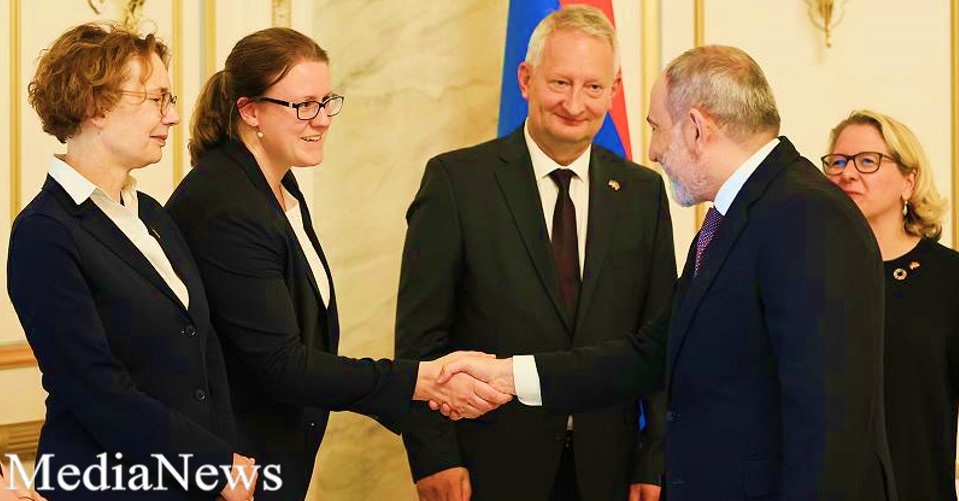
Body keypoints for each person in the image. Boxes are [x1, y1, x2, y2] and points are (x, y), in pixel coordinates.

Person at [438, 45, 900, 501]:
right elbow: (652, 353)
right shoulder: (734, 217)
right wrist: (509, 375)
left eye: (657, 128)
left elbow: (829, 422)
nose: (653, 151)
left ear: (697, 128)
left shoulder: (809, 216)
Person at [165, 27, 510, 501]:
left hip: (272, 460)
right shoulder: (227, 205)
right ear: (250, 111)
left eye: (327, 102)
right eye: (304, 105)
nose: (323, 119)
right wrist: (420, 381)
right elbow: (281, 365)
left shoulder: (276, 186)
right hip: (232, 470)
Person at [396, 6, 674, 501]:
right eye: (560, 82)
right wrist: (434, 455)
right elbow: (421, 340)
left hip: (609, 469)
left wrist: (653, 461)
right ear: (526, 80)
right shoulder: (457, 183)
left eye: (593, 86)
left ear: (614, 90)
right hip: (488, 465)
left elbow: (659, 338)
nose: (575, 103)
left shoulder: (642, 193)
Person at [7, 23, 256, 500]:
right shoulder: (44, 232)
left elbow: (204, 355)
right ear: (96, 107)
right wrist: (212, 465)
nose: (174, 116)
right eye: (157, 99)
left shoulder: (153, 215)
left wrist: (225, 459)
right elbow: (96, 390)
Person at [823, 109, 959, 501]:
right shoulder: (808, 272)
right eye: (837, 162)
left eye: (867, 161)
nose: (848, 174)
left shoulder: (949, 277)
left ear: (909, 181)